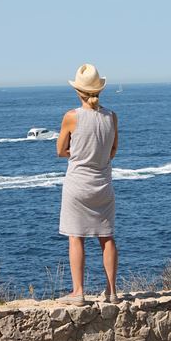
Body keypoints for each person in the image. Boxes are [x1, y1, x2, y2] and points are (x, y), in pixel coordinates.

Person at [56, 63, 119, 306]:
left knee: (76, 237)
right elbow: (113, 150)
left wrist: (78, 154)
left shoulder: (71, 117)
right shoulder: (111, 116)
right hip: (103, 184)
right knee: (107, 237)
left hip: (78, 184)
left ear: (78, 91)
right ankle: (112, 292)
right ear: (99, 90)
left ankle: (78, 292)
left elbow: (60, 150)